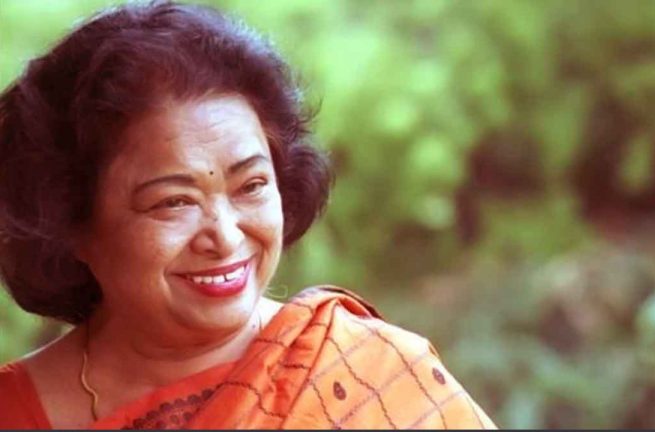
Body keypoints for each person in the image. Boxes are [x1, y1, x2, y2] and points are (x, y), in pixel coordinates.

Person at [0, 1, 496, 429]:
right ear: (71, 221)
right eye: (174, 201)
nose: (225, 234)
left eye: (251, 186)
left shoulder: (373, 379)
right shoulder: (14, 411)